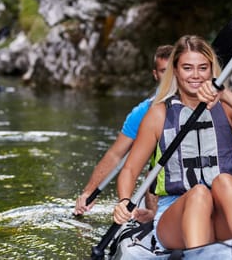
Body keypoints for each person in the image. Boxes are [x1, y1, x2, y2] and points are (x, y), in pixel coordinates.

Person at [113, 35, 232, 250]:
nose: (196, 75)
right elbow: (130, 170)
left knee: (225, 181)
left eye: (203, 68)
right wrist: (124, 201)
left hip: (223, 214)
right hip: (175, 217)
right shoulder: (158, 114)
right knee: (199, 193)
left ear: (211, 70)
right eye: (188, 68)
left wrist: (225, 94)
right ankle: (197, 254)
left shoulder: (226, 109)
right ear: (176, 71)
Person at [74, 45, 174, 221]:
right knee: (152, 173)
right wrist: (89, 192)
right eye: (163, 71)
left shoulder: (202, 101)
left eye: (173, 70)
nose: (169, 78)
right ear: (155, 74)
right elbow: (115, 155)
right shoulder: (143, 112)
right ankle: (154, 218)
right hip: (161, 181)